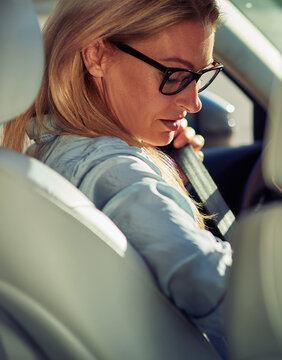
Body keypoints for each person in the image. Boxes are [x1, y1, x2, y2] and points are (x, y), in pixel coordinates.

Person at [2, 0, 232, 355]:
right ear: (96, 55)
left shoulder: (50, 150)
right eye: (175, 75)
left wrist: (167, 175)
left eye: (200, 77)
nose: (194, 102)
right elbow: (205, 283)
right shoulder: (112, 169)